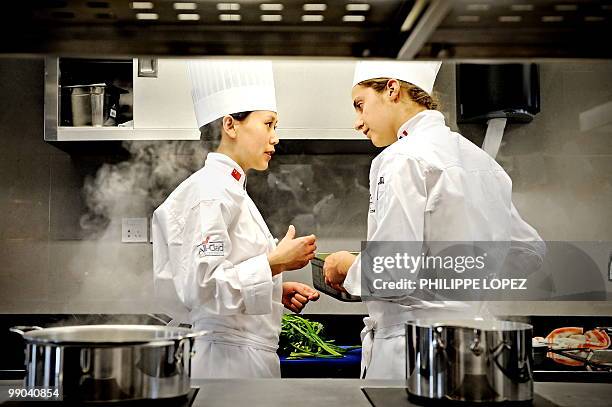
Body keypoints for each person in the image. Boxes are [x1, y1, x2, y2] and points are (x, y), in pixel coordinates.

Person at [323, 61, 545, 379]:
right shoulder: (482, 162)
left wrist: (346, 265)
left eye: (360, 106)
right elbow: (530, 250)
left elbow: (393, 272)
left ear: (391, 89)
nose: (358, 123)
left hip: (412, 353)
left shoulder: (401, 158)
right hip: (476, 353)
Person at [152, 60, 319, 379]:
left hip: (238, 358)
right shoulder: (212, 191)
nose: (276, 138)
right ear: (231, 125)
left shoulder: (229, 189)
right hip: (228, 363)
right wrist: (274, 264)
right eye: (269, 124)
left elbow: (220, 277)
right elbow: (203, 290)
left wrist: (272, 289)